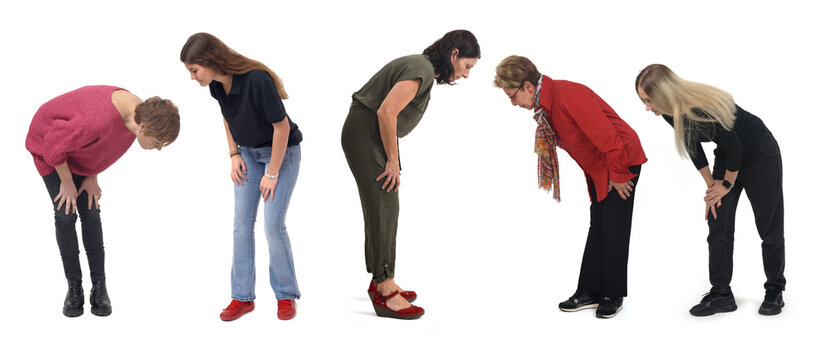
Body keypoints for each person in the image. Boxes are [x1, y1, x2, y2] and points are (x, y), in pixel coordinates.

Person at [494, 55, 647, 319]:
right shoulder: (546, 106)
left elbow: (608, 137)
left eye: (512, 95)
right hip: (599, 165)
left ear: (528, 87)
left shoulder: (566, 96)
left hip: (621, 159)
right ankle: (589, 291)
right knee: (598, 224)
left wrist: (619, 174)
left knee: (614, 226)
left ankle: (612, 295)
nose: (512, 102)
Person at [342, 29, 480, 320]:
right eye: (467, 66)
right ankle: (385, 287)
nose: (467, 75)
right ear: (454, 54)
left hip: (371, 135)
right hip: (366, 134)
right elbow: (386, 113)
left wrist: (393, 156)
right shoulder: (422, 69)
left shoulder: (421, 67)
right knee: (384, 204)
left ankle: (381, 279)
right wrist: (392, 160)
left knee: (385, 206)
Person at [635, 64, 786, 316]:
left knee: (768, 225)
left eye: (649, 100)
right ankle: (721, 294)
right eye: (643, 101)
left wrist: (725, 184)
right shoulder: (668, 112)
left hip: (760, 153)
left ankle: (774, 290)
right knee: (717, 221)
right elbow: (693, 145)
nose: (647, 107)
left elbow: (737, 146)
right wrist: (712, 187)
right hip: (728, 156)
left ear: (664, 93)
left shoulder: (700, 107)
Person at [26, 86, 180, 317]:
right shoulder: (96, 121)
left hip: (75, 146)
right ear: (143, 127)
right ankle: (74, 287)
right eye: (158, 142)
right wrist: (67, 181)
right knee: (66, 213)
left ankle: (99, 286)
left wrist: (91, 174)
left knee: (90, 210)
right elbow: (55, 145)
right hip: (49, 144)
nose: (157, 148)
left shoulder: (140, 112)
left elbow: (102, 145)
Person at [181, 32, 303, 321]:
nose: (192, 77)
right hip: (248, 154)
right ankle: (242, 297)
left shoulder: (256, 80)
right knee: (241, 225)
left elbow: (282, 128)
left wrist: (272, 173)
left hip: (281, 153)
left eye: (194, 70)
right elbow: (227, 116)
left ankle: (286, 295)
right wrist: (234, 154)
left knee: (273, 225)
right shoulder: (216, 86)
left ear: (210, 61)